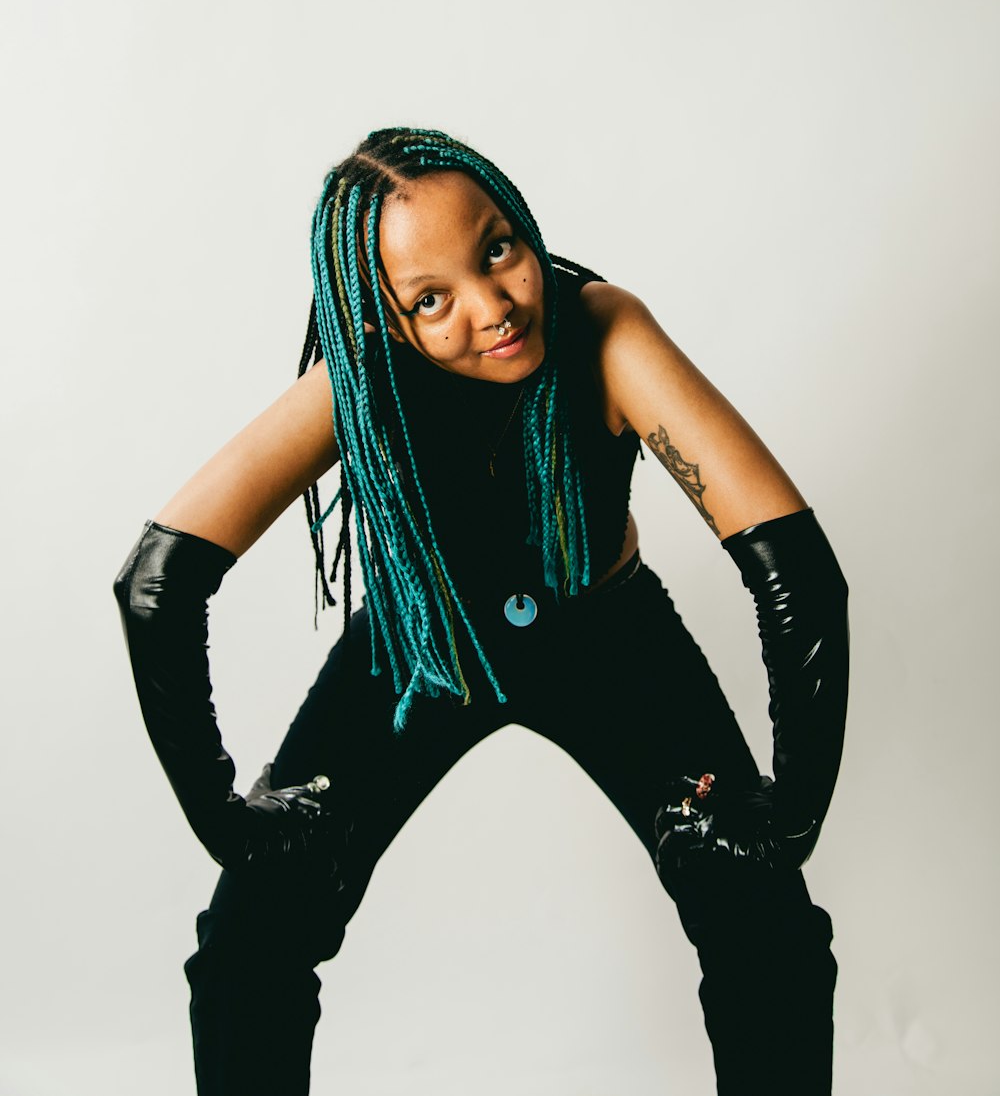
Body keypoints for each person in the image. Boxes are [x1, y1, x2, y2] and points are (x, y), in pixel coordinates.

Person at [112, 126, 850, 1095]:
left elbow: (791, 564)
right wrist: (223, 816)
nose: (493, 305)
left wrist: (790, 811)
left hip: (609, 639)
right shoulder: (362, 379)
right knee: (250, 945)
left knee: (768, 930)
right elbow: (157, 581)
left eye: (498, 248)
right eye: (431, 297)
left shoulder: (604, 330)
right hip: (423, 650)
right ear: (384, 317)